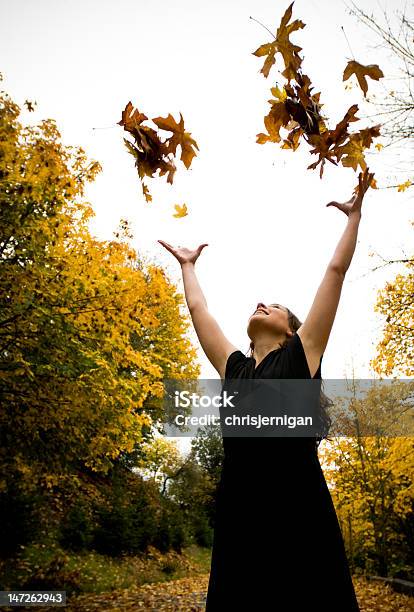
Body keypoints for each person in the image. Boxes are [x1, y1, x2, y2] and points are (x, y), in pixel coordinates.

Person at [158, 168, 374, 611]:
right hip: (241, 517)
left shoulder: (300, 356)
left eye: (275, 306)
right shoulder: (233, 367)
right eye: (262, 302)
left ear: (292, 332)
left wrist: (353, 218)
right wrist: (187, 266)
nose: (264, 302)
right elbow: (199, 310)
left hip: (299, 512)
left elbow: (335, 271)